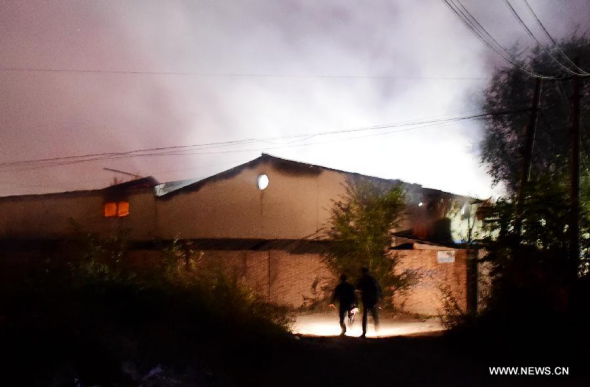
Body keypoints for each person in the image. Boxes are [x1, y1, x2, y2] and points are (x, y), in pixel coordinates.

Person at [356, 267, 382, 338]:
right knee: (374, 315)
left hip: (366, 299)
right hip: (373, 299)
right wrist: (378, 298)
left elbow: (357, 287)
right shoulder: (373, 279)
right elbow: (378, 289)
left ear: (362, 272)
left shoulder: (362, 279)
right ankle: (377, 332)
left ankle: (364, 333)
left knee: (365, 316)